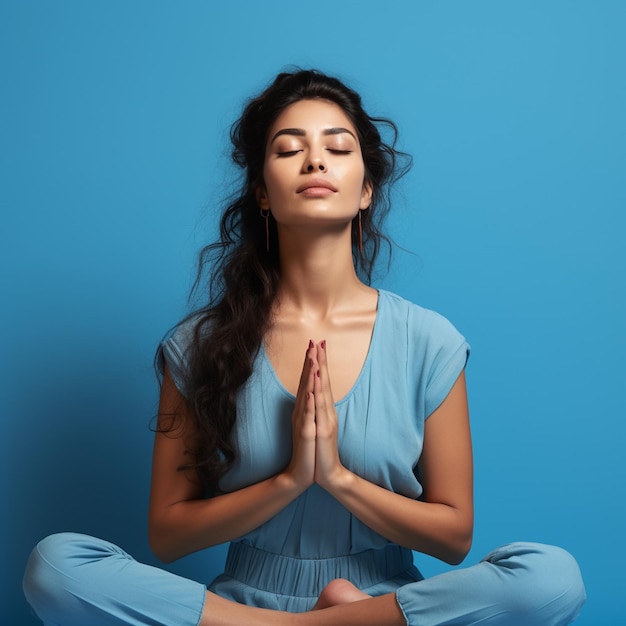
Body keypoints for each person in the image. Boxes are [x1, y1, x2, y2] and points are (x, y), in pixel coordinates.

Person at [23, 69, 585, 626]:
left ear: (366, 190)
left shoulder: (428, 340)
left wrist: (336, 476)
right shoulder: (197, 345)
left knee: (549, 578)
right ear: (262, 193)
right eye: (290, 150)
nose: (315, 161)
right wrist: (291, 479)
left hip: (385, 610)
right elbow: (167, 536)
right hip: (238, 608)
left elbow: (454, 537)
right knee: (57, 566)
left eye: (337, 149)